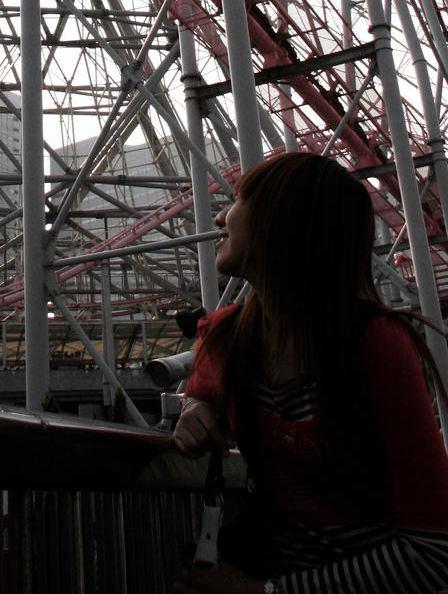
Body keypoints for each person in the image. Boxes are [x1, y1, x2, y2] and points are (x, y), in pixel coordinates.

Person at [172, 151, 448, 594]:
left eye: (240, 198)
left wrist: (264, 593)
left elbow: (434, 554)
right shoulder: (226, 336)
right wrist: (194, 407)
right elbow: (198, 396)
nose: (221, 214)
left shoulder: (374, 343)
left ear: (281, 221)